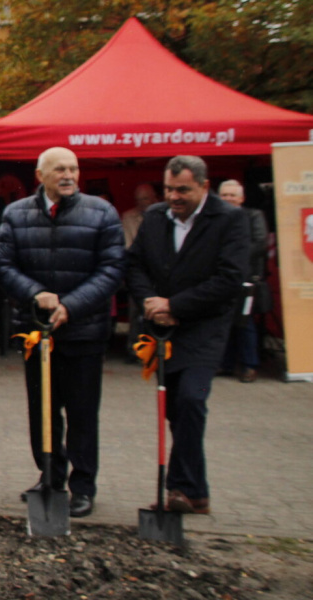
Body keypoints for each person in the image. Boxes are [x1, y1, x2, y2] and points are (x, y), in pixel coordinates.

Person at [0, 146, 124, 519]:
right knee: (42, 411)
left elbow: (113, 269)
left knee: (82, 413)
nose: (68, 176)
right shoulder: (16, 213)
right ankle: (50, 476)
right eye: (60, 170)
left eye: (74, 169)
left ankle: (83, 486)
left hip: (84, 331)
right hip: (36, 332)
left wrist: (71, 306)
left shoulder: (102, 212)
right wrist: (36, 295)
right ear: (40, 176)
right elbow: (2, 264)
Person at [127, 155, 249, 515]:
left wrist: (175, 305)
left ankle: (179, 487)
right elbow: (134, 264)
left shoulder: (230, 220)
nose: (174, 197)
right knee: (176, 410)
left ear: (204, 186)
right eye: (169, 189)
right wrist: (149, 301)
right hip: (163, 329)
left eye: (182, 190)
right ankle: (197, 493)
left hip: (205, 327)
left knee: (191, 400)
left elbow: (230, 278)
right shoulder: (155, 217)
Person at [217, 179, 267, 383]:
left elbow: (261, 243)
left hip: (246, 280)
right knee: (224, 322)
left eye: (232, 195)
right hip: (221, 279)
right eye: (224, 195)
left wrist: (234, 257)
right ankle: (226, 364)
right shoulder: (215, 218)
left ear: (242, 198)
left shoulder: (254, 216)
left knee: (245, 324)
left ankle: (249, 365)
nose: (228, 198)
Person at [122, 183, 159, 358]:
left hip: (160, 272)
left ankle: (157, 349)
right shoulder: (128, 217)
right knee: (136, 311)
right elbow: (128, 246)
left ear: (154, 198)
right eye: (138, 200)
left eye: (145, 199)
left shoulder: (165, 214)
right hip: (139, 270)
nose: (142, 203)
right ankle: (134, 349)